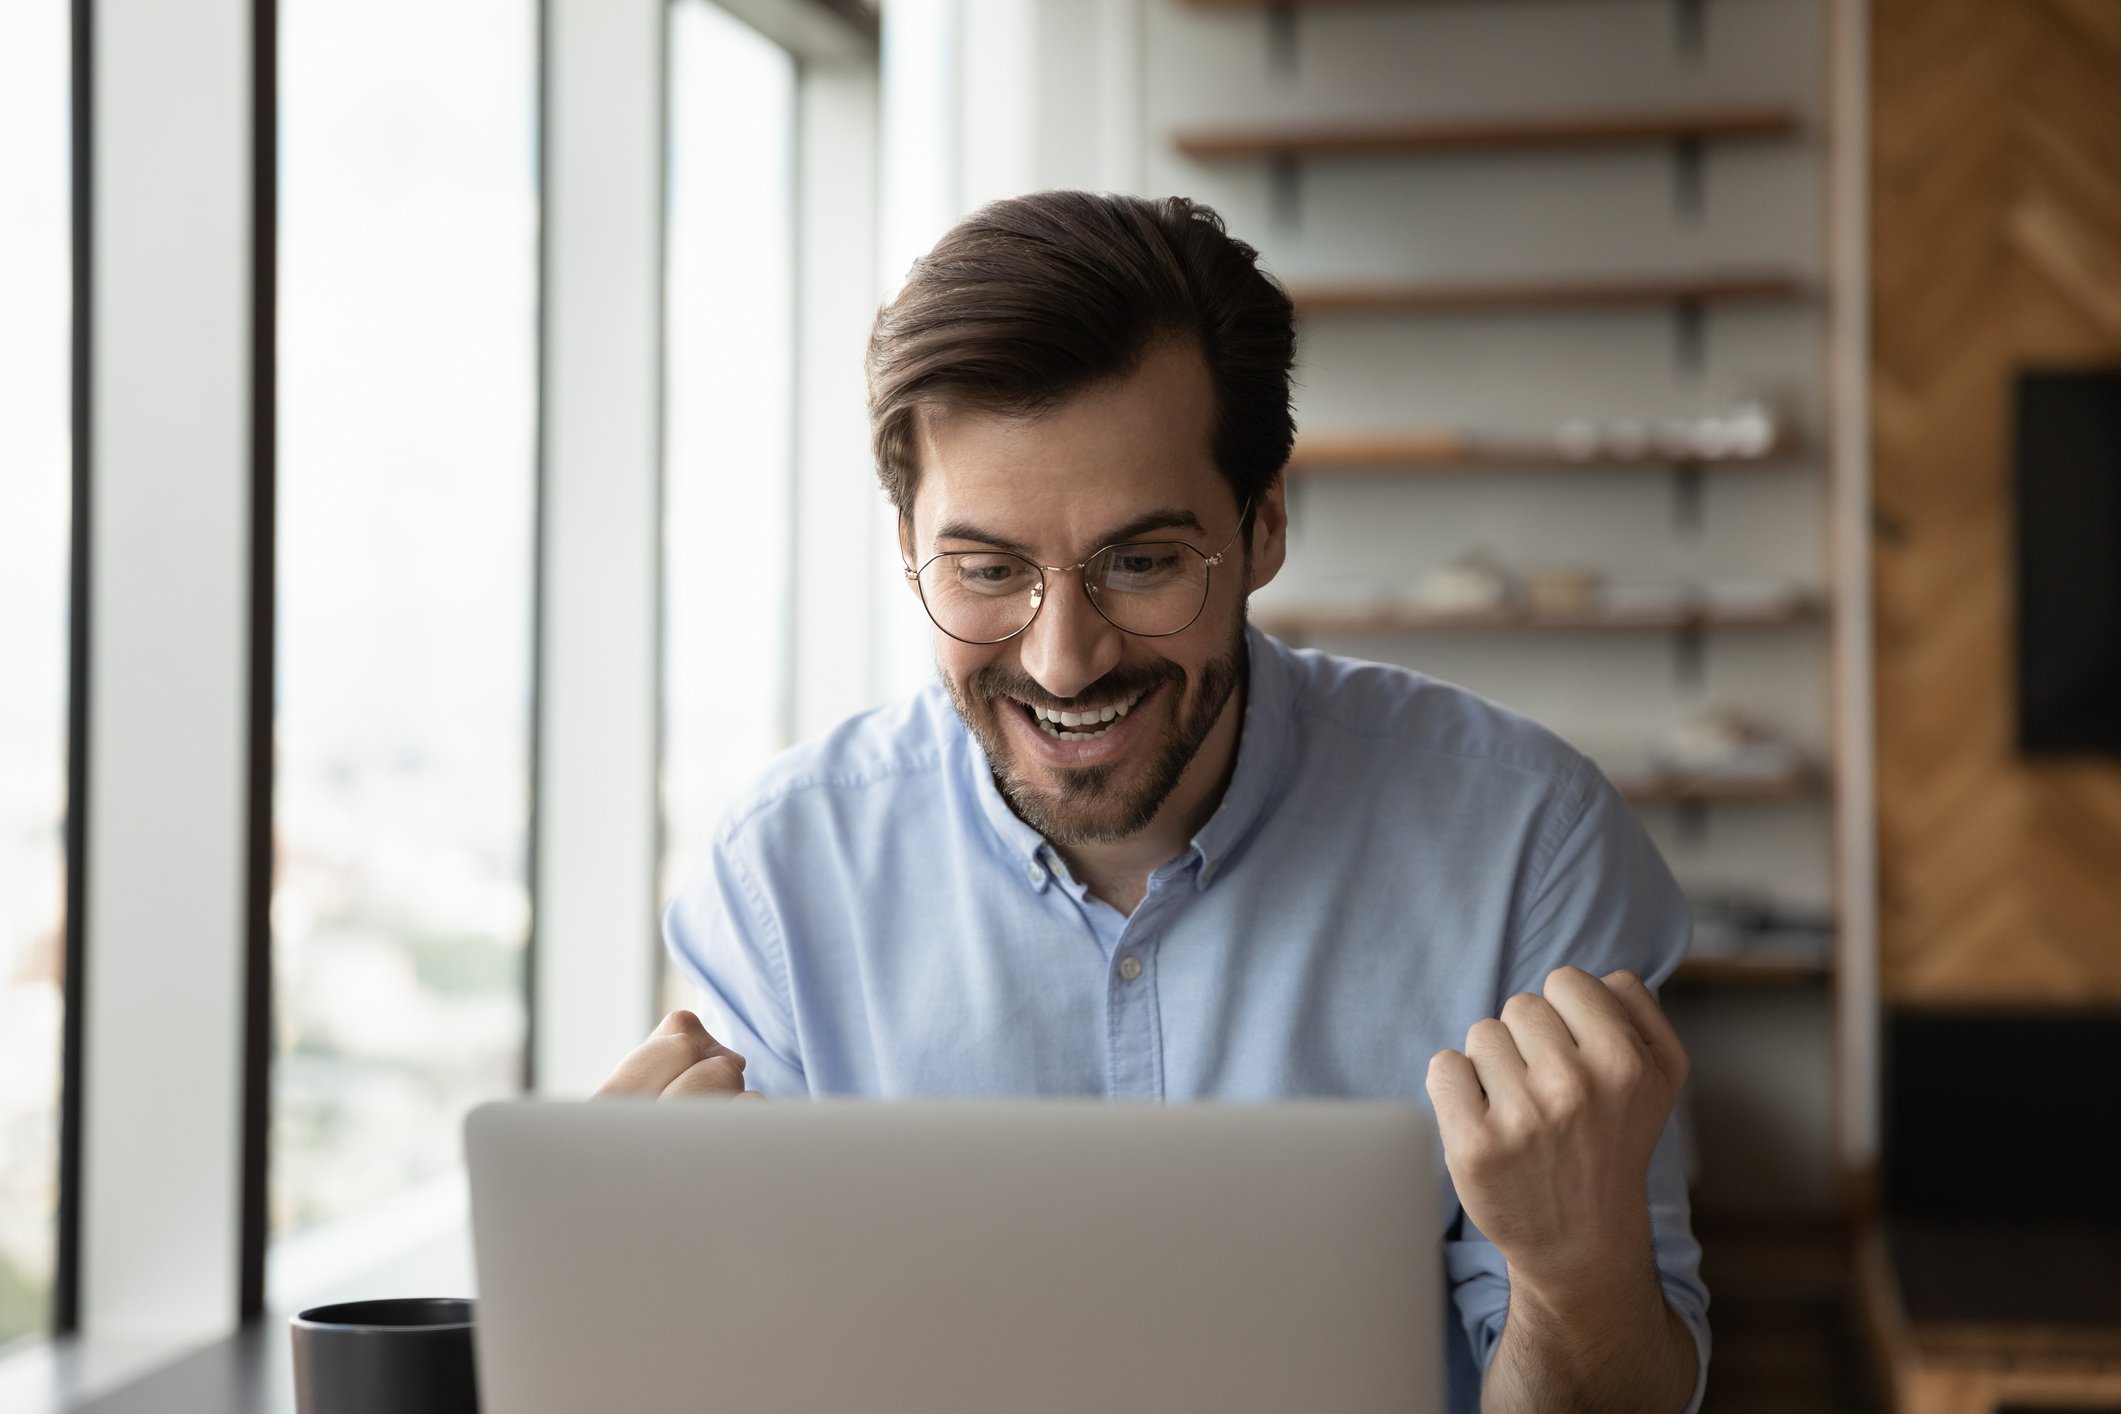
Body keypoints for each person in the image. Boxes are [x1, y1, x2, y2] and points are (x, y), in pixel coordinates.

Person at [596, 191, 1710, 1412]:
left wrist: (1570, 1274)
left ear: (1264, 521)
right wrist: (641, 1289)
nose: (1064, 658)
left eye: (1141, 562)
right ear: (907, 544)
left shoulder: (1528, 846)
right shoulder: (783, 879)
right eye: (985, 569)